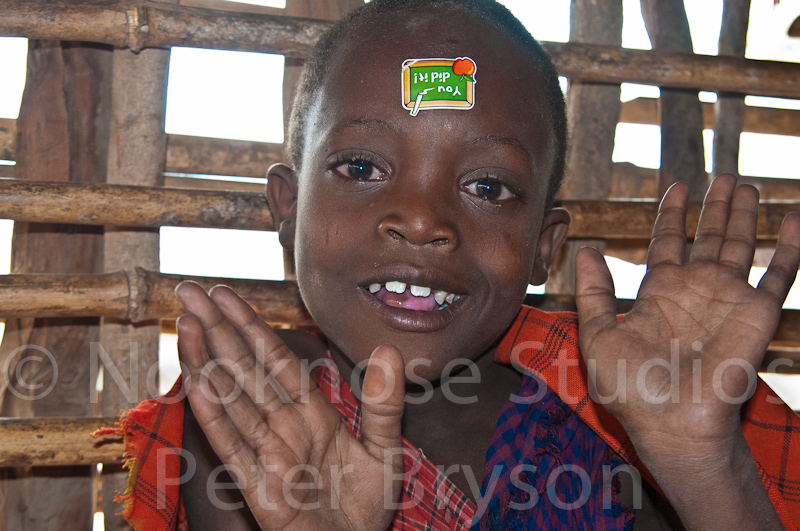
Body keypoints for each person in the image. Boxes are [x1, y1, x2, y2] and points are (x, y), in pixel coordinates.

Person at [104, 1, 800, 529]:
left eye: (487, 187)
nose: (421, 220)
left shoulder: (615, 421)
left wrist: (702, 464)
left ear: (544, 245)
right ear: (288, 207)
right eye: (361, 167)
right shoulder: (254, 417)